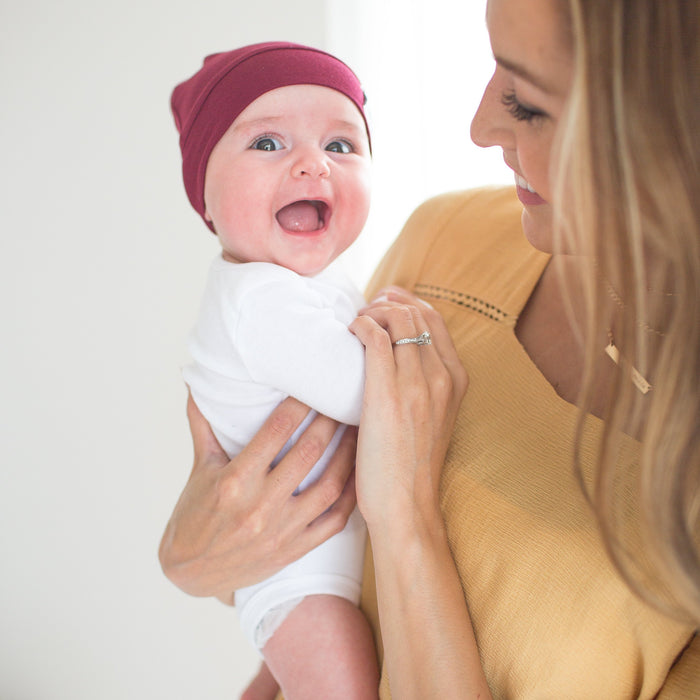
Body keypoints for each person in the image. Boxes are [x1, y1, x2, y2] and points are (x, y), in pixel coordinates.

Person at [160, 2, 700, 698]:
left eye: (527, 103)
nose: (479, 126)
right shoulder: (448, 236)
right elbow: (313, 586)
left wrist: (408, 517)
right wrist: (192, 559)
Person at [167, 42, 378, 699]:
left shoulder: (313, 282)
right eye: (267, 144)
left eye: (341, 146)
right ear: (205, 201)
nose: (313, 163)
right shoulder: (257, 297)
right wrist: (406, 334)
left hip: (322, 556)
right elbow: (363, 390)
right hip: (298, 580)